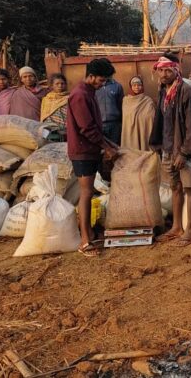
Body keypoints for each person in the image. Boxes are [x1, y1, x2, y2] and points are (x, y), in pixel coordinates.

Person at [67, 58, 119, 257]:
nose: (102, 84)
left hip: (89, 149)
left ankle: (89, 233)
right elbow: (87, 129)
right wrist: (106, 147)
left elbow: (95, 128)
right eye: (101, 80)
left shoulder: (89, 92)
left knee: (88, 193)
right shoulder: (80, 95)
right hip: (82, 151)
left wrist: (111, 145)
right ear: (90, 76)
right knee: (87, 193)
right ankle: (84, 241)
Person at [149, 55, 191, 247]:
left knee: (189, 188)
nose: (163, 74)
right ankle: (177, 227)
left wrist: (185, 153)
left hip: (183, 150)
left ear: (176, 70)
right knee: (175, 188)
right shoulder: (163, 91)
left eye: (167, 70)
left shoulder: (186, 91)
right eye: (160, 70)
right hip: (168, 148)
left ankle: (189, 230)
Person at [121, 76, 157, 152]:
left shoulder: (148, 101)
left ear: (142, 86)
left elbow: (151, 118)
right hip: (130, 133)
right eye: (134, 85)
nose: (136, 87)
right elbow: (126, 119)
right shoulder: (126, 100)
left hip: (144, 131)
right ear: (131, 87)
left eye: (139, 85)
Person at [95, 77, 124, 145]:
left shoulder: (117, 86)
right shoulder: (94, 87)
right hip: (98, 125)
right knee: (100, 148)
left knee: (115, 148)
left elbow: (121, 105)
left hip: (114, 125)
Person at [40, 73, 70, 138]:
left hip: (65, 131)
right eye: (57, 84)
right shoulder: (47, 99)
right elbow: (44, 116)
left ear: (65, 85)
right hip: (49, 130)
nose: (60, 86)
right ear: (52, 86)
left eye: (62, 83)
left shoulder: (70, 98)